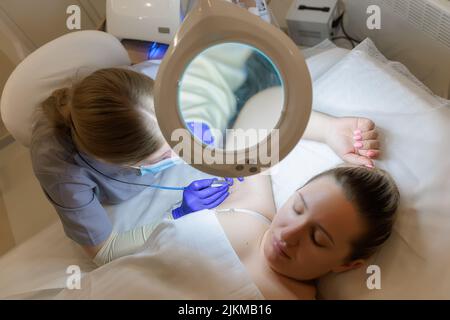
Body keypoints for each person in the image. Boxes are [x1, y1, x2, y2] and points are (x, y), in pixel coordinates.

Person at [31, 66, 379, 266]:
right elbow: (103, 251)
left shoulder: (167, 92)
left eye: (177, 134)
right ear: (117, 163)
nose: (183, 153)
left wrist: (328, 129)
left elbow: (253, 106)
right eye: (164, 156)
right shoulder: (64, 171)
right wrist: (177, 216)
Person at [213, 164, 400, 299]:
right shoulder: (252, 206)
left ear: (347, 265)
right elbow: (255, 125)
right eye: (297, 208)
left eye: (317, 239)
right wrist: (329, 129)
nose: (287, 235)